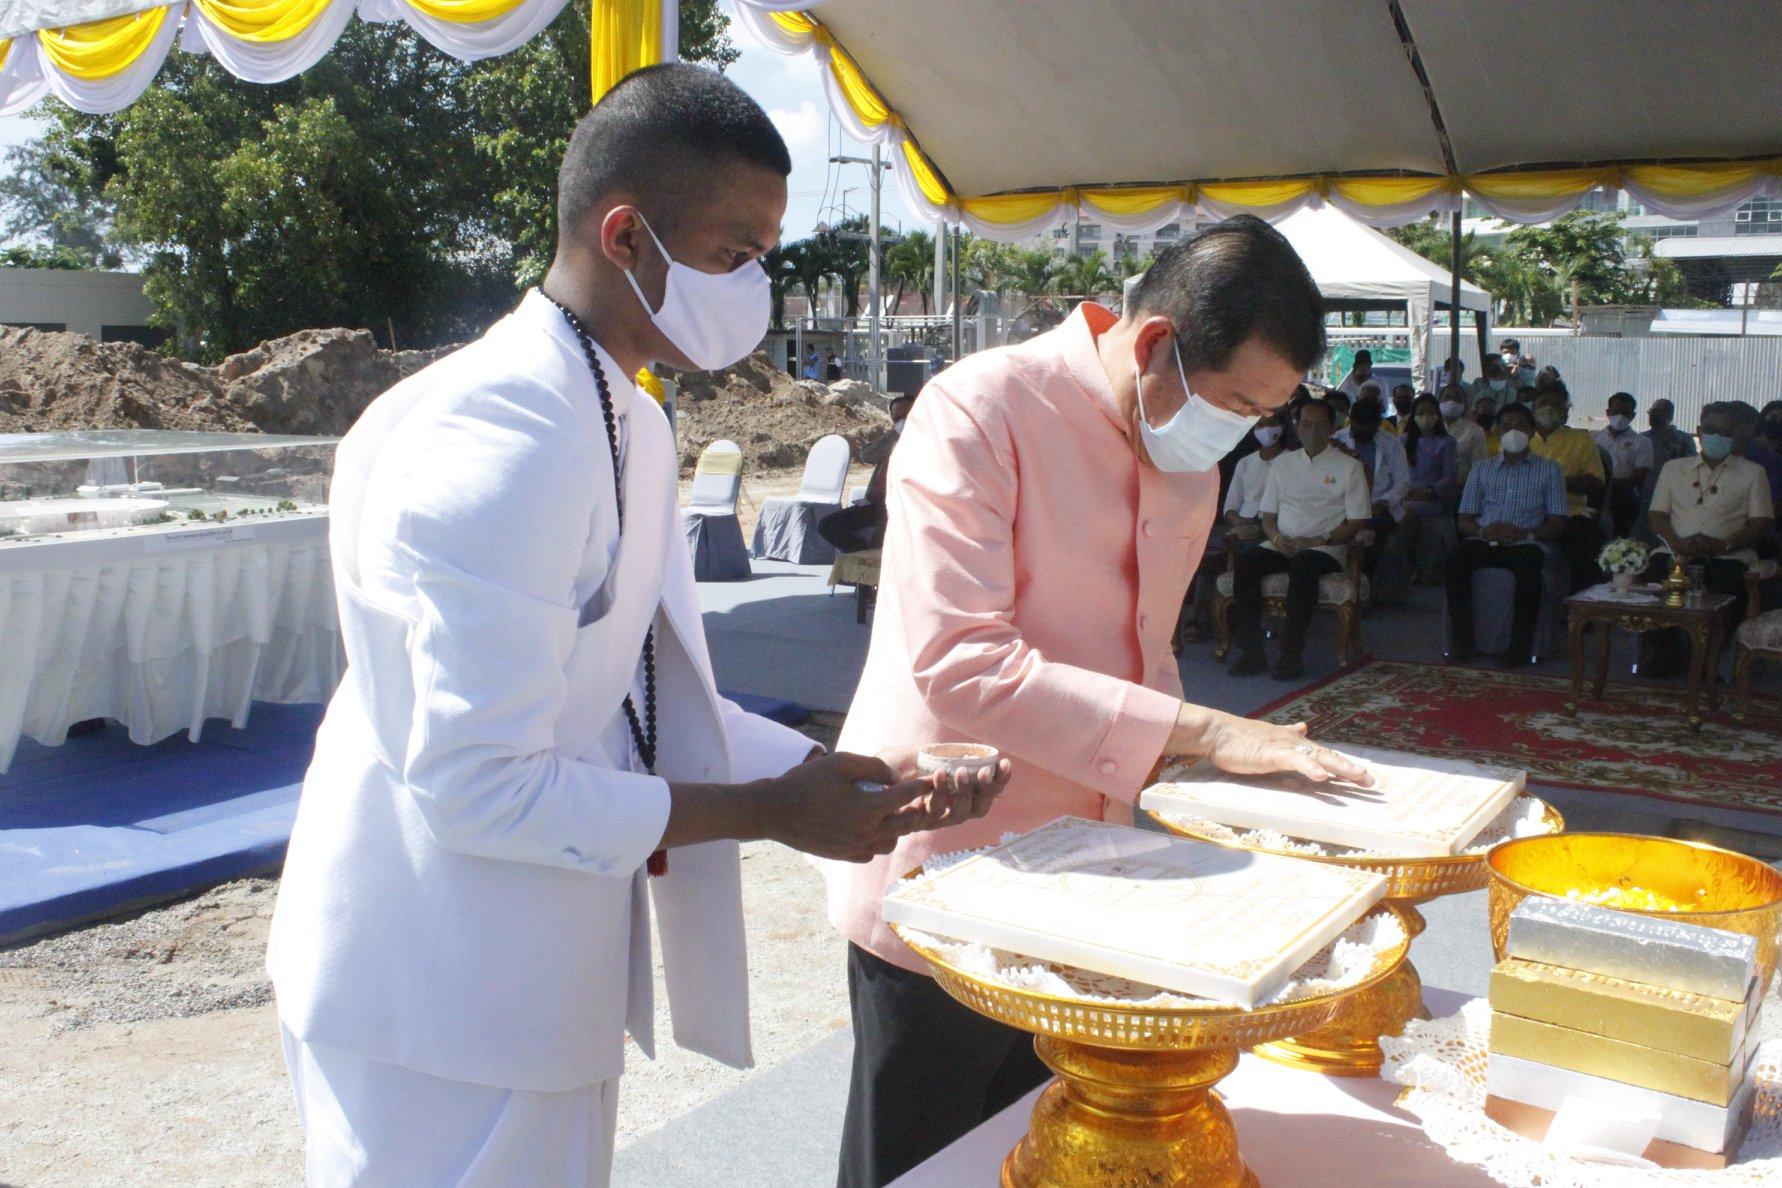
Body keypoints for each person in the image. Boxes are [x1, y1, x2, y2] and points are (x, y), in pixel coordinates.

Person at [265, 65, 1011, 1188]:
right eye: (734, 253)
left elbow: (636, 695)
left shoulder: (625, 414)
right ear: (625, 236)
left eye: (764, 256)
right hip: (437, 991)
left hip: (525, 965)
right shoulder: (506, 432)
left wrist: (858, 769)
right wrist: (772, 812)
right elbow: (478, 783)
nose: (753, 287)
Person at [821, 216, 1374, 1188]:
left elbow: (1145, 653)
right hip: (950, 863)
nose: (1242, 431)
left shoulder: (1190, 463)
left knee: (1047, 1153)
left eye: (1264, 414)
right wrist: (1207, 732)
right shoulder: (982, 408)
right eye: (1237, 403)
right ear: (1156, 342)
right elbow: (961, 661)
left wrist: (1209, 779)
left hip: (1094, 875)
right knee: (918, 1164)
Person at [1228, 399, 1372, 680]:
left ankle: (1291, 654)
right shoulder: (1283, 464)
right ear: (1296, 427)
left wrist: (1320, 538)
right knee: (1247, 563)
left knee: (1304, 566)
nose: (1312, 431)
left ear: (1332, 428)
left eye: (1319, 425)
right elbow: (1268, 515)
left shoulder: (1349, 467)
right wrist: (1276, 537)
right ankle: (1251, 651)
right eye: (1305, 424)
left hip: (1325, 548)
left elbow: (1357, 521)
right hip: (1283, 542)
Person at [1640, 401, 1776, 675]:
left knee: (1728, 584)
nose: (1717, 437)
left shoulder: (1752, 472)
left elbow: (1761, 522)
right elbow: (1657, 515)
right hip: (1675, 551)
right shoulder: (1673, 468)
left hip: (1728, 555)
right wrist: (1676, 543)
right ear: (1700, 432)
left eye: (1724, 432)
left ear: (1735, 436)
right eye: (1711, 430)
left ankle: (1707, 662)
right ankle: (1663, 657)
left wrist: (1724, 545)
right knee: (1655, 578)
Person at [1446, 404, 1568, 667]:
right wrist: (1483, 530)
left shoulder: (1550, 470)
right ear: (1497, 431)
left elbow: (1558, 523)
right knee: (1455, 560)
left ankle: (1519, 647)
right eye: (1507, 427)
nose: (1514, 432)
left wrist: (1526, 532)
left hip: (1526, 542)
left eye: (1521, 426)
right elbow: (1464, 519)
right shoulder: (1481, 469)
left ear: (1532, 431)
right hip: (1484, 538)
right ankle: (1462, 642)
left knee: (1529, 570)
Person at [1528, 385, 1606, 591]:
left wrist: (1555, 482)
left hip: (1569, 512)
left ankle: (1580, 601)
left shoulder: (1581, 439)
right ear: (1533, 407)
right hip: (1523, 511)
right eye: (1544, 403)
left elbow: (1596, 482)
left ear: (1565, 412)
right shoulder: (1520, 438)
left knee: (1584, 544)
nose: (1549, 409)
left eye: (1556, 405)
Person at [818, 393, 915, 554]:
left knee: (881, 538)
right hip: (875, 504)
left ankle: (874, 556)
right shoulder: (893, 439)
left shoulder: (925, 440)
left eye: (906, 416)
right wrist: (896, 433)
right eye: (897, 419)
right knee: (828, 526)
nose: (902, 421)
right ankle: (863, 554)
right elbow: (867, 455)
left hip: (898, 506)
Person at [1336, 396, 1410, 578]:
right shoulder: (1336, 440)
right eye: (1357, 428)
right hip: (1339, 505)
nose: (1360, 434)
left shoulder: (1391, 443)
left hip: (1378, 505)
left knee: (1374, 531)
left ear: (1377, 424)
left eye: (1367, 430)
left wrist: (1384, 502)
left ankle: (1366, 579)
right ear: (1350, 420)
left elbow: (1402, 482)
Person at [1400, 392, 1458, 582]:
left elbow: (1450, 477)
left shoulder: (1447, 442)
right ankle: (1409, 564)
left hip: (1432, 497)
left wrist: (1429, 491)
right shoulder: (1403, 440)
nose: (1425, 417)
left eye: (1430, 412)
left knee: (1407, 514)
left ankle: (1412, 566)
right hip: (1406, 494)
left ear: (1437, 415)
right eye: (1421, 412)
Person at [1594, 391, 1654, 540]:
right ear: (1608, 412)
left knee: (1620, 540)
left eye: (1625, 413)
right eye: (1616, 412)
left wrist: (1610, 484)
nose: (1620, 417)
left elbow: (1640, 475)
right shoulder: (1594, 438)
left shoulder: (1642, 442)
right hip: (1596, 495)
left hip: (1624, 498)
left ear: (1633, 416)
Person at [1224, 412, 1286, 535]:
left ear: (1282, 426)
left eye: (1271, 424)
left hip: (1278, 528)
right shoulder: (1245, 462)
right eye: (1260, 425)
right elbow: (1231, 505)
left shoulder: (1292, 461)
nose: (1266, 429)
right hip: (1244, 525)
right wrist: (1238, 522)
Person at [1440, 382, 1489, 492]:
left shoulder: (1475, 431)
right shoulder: (1431, 428)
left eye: (1457, 398)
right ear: (1440, 401)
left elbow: (1478, 467)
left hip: (1462, 491)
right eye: (1447, 397)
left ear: (1465, 403)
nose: (1451, 402)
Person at [1645, 397, 1697, 472]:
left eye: (1658, 413)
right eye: (1651, 412)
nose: (1652, 416)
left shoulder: (1684, 440)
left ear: (1669, 416)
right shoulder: (1642, 438)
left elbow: (1692, 465)